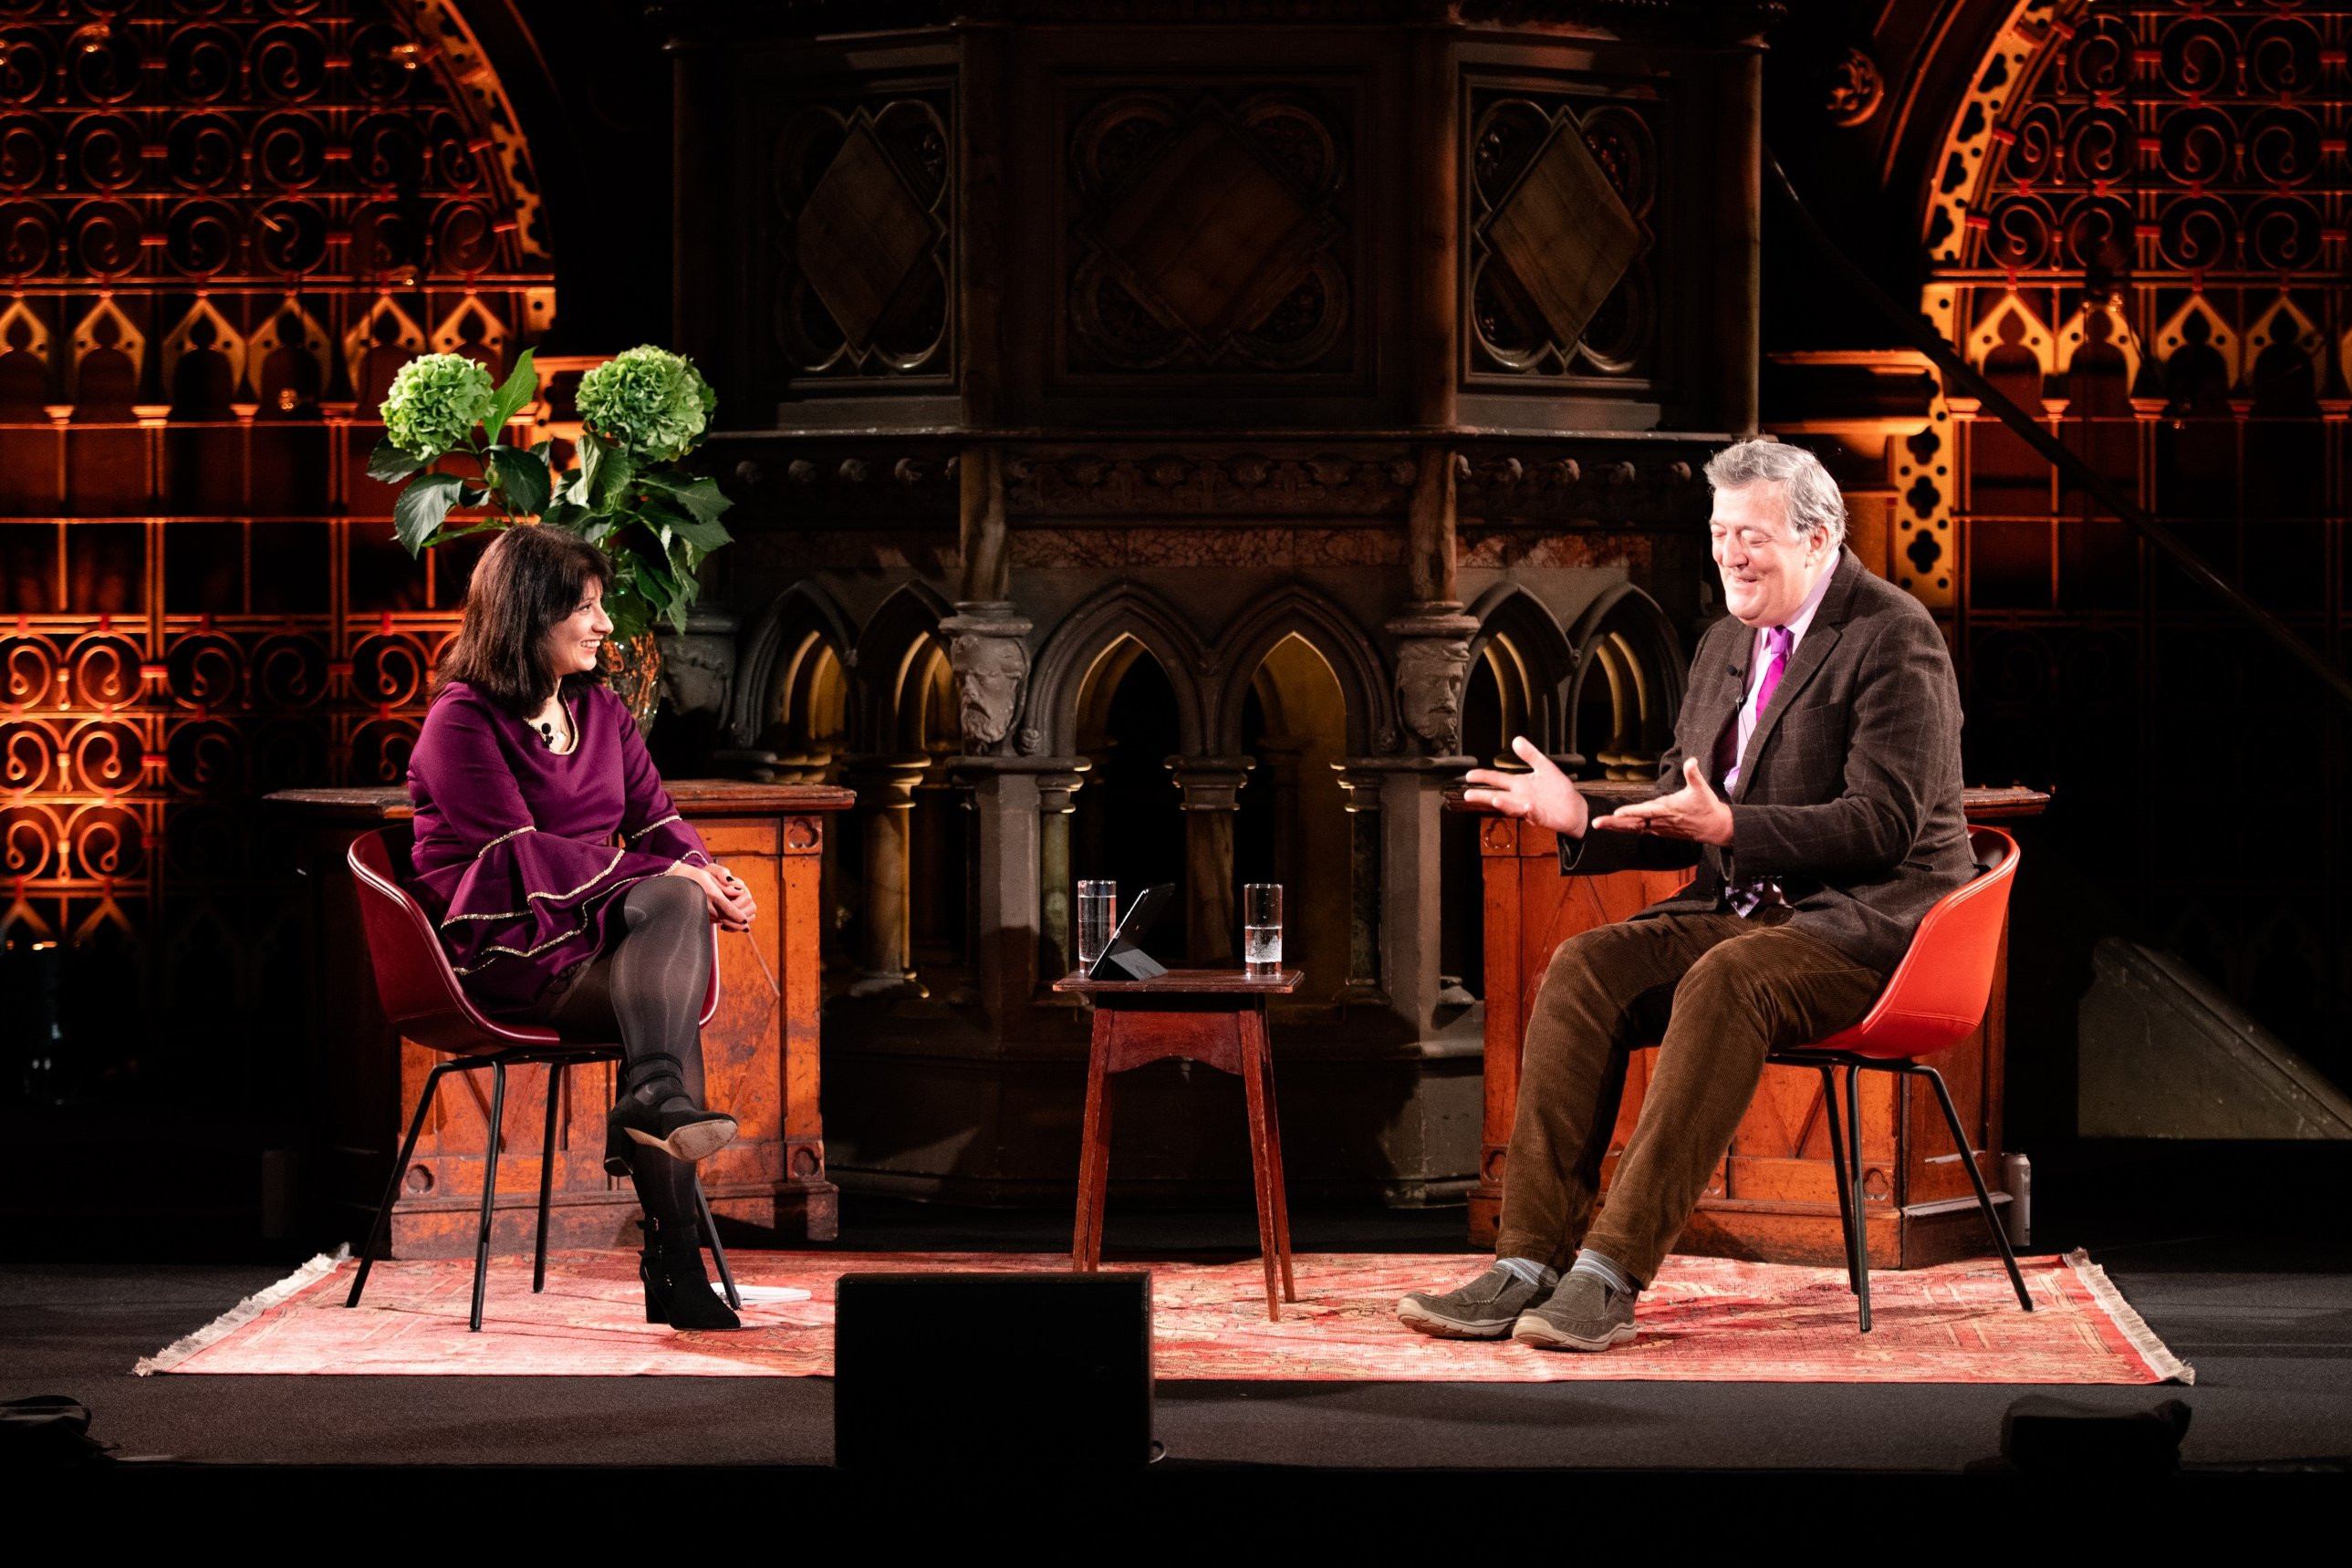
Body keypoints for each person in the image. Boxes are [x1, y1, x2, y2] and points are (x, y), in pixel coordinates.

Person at [1400, 439, 1973, 1352]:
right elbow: (1684, 796)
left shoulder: (1893, 636)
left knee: (1729, 980)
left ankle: (1607, 1276)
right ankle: (1525, 1262)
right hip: (1744, 910)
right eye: (1719, 533)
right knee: (1587, 964)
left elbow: (1883, 824)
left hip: (1869, 930)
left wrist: (1732, 831)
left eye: (1751, 535)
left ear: (1818, 539)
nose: (1729, 554)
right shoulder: (1720, 646)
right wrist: (1584, 815)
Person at [404, 525, 758, 1331]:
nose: (605, 625)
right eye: (587, 608)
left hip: (592, 940)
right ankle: (673, 1258)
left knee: (663, 981)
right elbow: (518, 855)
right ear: (530, 615)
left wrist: (710, 872)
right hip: (506, 947)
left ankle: (652, 1102)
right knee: (666, 956)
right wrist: (678, 878)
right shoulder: (461, 721)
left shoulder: (598, 708)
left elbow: (656, 815)